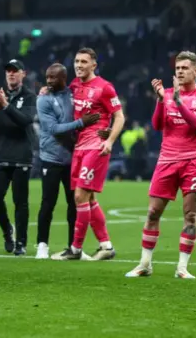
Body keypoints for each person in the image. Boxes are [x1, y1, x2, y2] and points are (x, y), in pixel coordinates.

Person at [125, 51, 196, 279]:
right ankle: (145, 264)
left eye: (185, 68)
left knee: (190, 216)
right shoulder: (166, 94)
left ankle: (182, 267)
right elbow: (157, 125)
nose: (180, 72)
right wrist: (160, 101)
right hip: (166, 160)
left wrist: (177, 101)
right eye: (177, 68)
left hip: (193, 161)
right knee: (153, 212)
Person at [54, 47, 125, 261]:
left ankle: (75, 249)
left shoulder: (105, 88)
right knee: (89, 198)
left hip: (97, 146)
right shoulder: (75, 86)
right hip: (79, 147)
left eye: (84, 62)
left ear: (94, 65)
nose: (79, 65)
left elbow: (119, 117)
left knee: (79, 196)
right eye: (76, 61)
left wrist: (110, 141)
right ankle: (106, 246)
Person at [35, 64, 101, 259]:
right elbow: (54, 128)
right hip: (51, 158)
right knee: (48, 201)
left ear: (64, 78)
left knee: (75, 204)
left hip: (74, 158)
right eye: (47, 77)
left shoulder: (74, 93)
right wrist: (81, 123)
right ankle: (42, 245)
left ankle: (75, 247)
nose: (48, 81)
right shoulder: (43, 99)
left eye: (53, 77)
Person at [0, 59, 36, 256]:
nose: (11, 74)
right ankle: (7, 231)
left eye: (15, 71)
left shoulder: (29, 96)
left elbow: (25, 121)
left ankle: (21, 243)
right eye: (8, 71)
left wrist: (5, 106)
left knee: (20, 201)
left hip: (21, 155)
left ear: (23, 74)